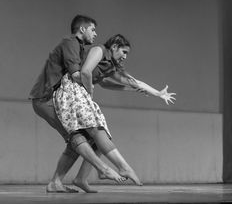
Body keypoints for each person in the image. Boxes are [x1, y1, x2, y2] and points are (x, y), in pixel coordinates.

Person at [53, 34, 176, 189]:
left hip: (81, 93)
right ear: (115, 46)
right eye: (124, 52)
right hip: (71, 90)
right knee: (96, 129)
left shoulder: (110, 66)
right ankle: (122, 167)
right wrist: (90, 90)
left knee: (102, 133)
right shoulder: (99, 50)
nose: (125, 56)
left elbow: (122, 82)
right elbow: (85, 72)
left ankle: (81, 178)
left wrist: (158, 93)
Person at [29, 15, 125, 193]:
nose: (95, 34)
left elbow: (92, 77)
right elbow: (76, 75)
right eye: (92, 29)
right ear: (82, 29)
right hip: (45, 98)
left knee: (78, 137)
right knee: (76, 137)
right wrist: (89, 89)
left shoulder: (80, 48)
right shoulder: (70, 42)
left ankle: (56, 182)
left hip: (53, 99)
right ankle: (102, 169)